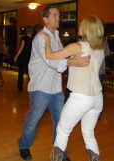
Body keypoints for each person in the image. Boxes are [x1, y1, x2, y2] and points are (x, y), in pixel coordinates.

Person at [17, 5, 90, 161]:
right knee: (33, 121)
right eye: (55, 15)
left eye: (58, 15)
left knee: (60, 124)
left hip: (56, 89)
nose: (58, 18)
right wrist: (72, 63)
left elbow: (61, 57)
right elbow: (51, 60)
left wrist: (73, 59)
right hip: (40, 89)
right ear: (45, 19)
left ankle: (61, 155)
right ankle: (23, 145)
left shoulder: (56, 36)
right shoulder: (40, 38)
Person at [42, 16, 104, 161]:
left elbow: (50, 55)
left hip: (81, 98)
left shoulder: (78, 46)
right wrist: (72, 61)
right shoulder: (99, 48)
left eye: (81, 24)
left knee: (62, 131)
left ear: (88, 29)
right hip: (97, 98)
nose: (79, 26)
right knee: (89, 133)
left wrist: (46, 40)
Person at [14, 26, 33, 91]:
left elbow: (21, 48)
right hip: (29, 57)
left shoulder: (23, 38)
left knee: (21, 72)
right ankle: (31, 87)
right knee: (29, 73)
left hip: (22, 57)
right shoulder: (33, 39)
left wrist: (16, 56)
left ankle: (20, 87)